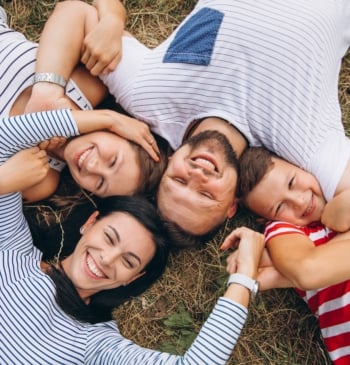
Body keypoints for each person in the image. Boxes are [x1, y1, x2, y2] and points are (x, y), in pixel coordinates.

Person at [25, 0, 350, 246]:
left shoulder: (148, 99)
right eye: (206, 196)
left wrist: (49, 92)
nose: (197, 175)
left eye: (179, 182)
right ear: (231, 205)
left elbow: (81, 17)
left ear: (166, 165)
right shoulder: (303, 144)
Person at [0, 108, 267, 364]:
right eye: (109, 237)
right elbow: (6, 138)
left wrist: (244, 278)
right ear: (91, 223)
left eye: (128, 262)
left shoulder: (94, 343)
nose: (107, 259)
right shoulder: (12, 251)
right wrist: (108, 119)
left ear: (133, 278)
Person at [0, 3, 168, 202]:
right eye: (113, 161)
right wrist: (47, 92)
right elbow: (77, 12)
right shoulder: (89, 85)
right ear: (123, 132)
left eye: (100, 183)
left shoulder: (40, 178)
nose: (92, 167)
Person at [232, 146, 350, 364]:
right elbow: (306, 269)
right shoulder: (285, 231)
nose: (299, 201)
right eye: (279, 208)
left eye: (292, 182)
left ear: (302, 166)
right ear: (266, 221)